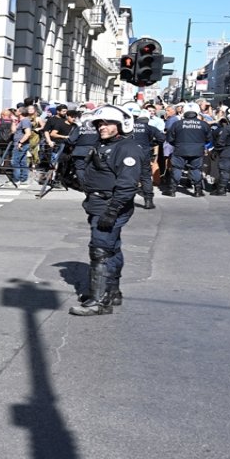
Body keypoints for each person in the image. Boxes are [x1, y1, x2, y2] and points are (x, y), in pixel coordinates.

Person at [70, 105, 144, 317]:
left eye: (107, 123)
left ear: (121, 125)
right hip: (97, 203)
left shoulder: (127, 148)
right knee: (112, 248)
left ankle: (100, 301)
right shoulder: (103, 144)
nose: (102, 127)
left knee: (100, 250)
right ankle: (111, 292)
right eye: (99, 124)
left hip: (109, 205)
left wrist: (112, 210)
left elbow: (127, 184)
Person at [163, 102, 212, 197]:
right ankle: (198, 190)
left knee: (177, 168)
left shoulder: (177, 124)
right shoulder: (203, 124)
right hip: (197, 150)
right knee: (195, 169)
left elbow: (170, 139)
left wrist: (177, 144)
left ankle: (172, 190)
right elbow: (209, 139)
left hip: (180, 149)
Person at [127, 107, 165, 209]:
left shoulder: (128, 127)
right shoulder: (150, 128)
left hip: (129, 152)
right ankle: (148, 201)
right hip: (144, 153)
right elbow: (162, 138)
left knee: (127, 175)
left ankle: (126, 200)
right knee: (146, 177)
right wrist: (151, 144)